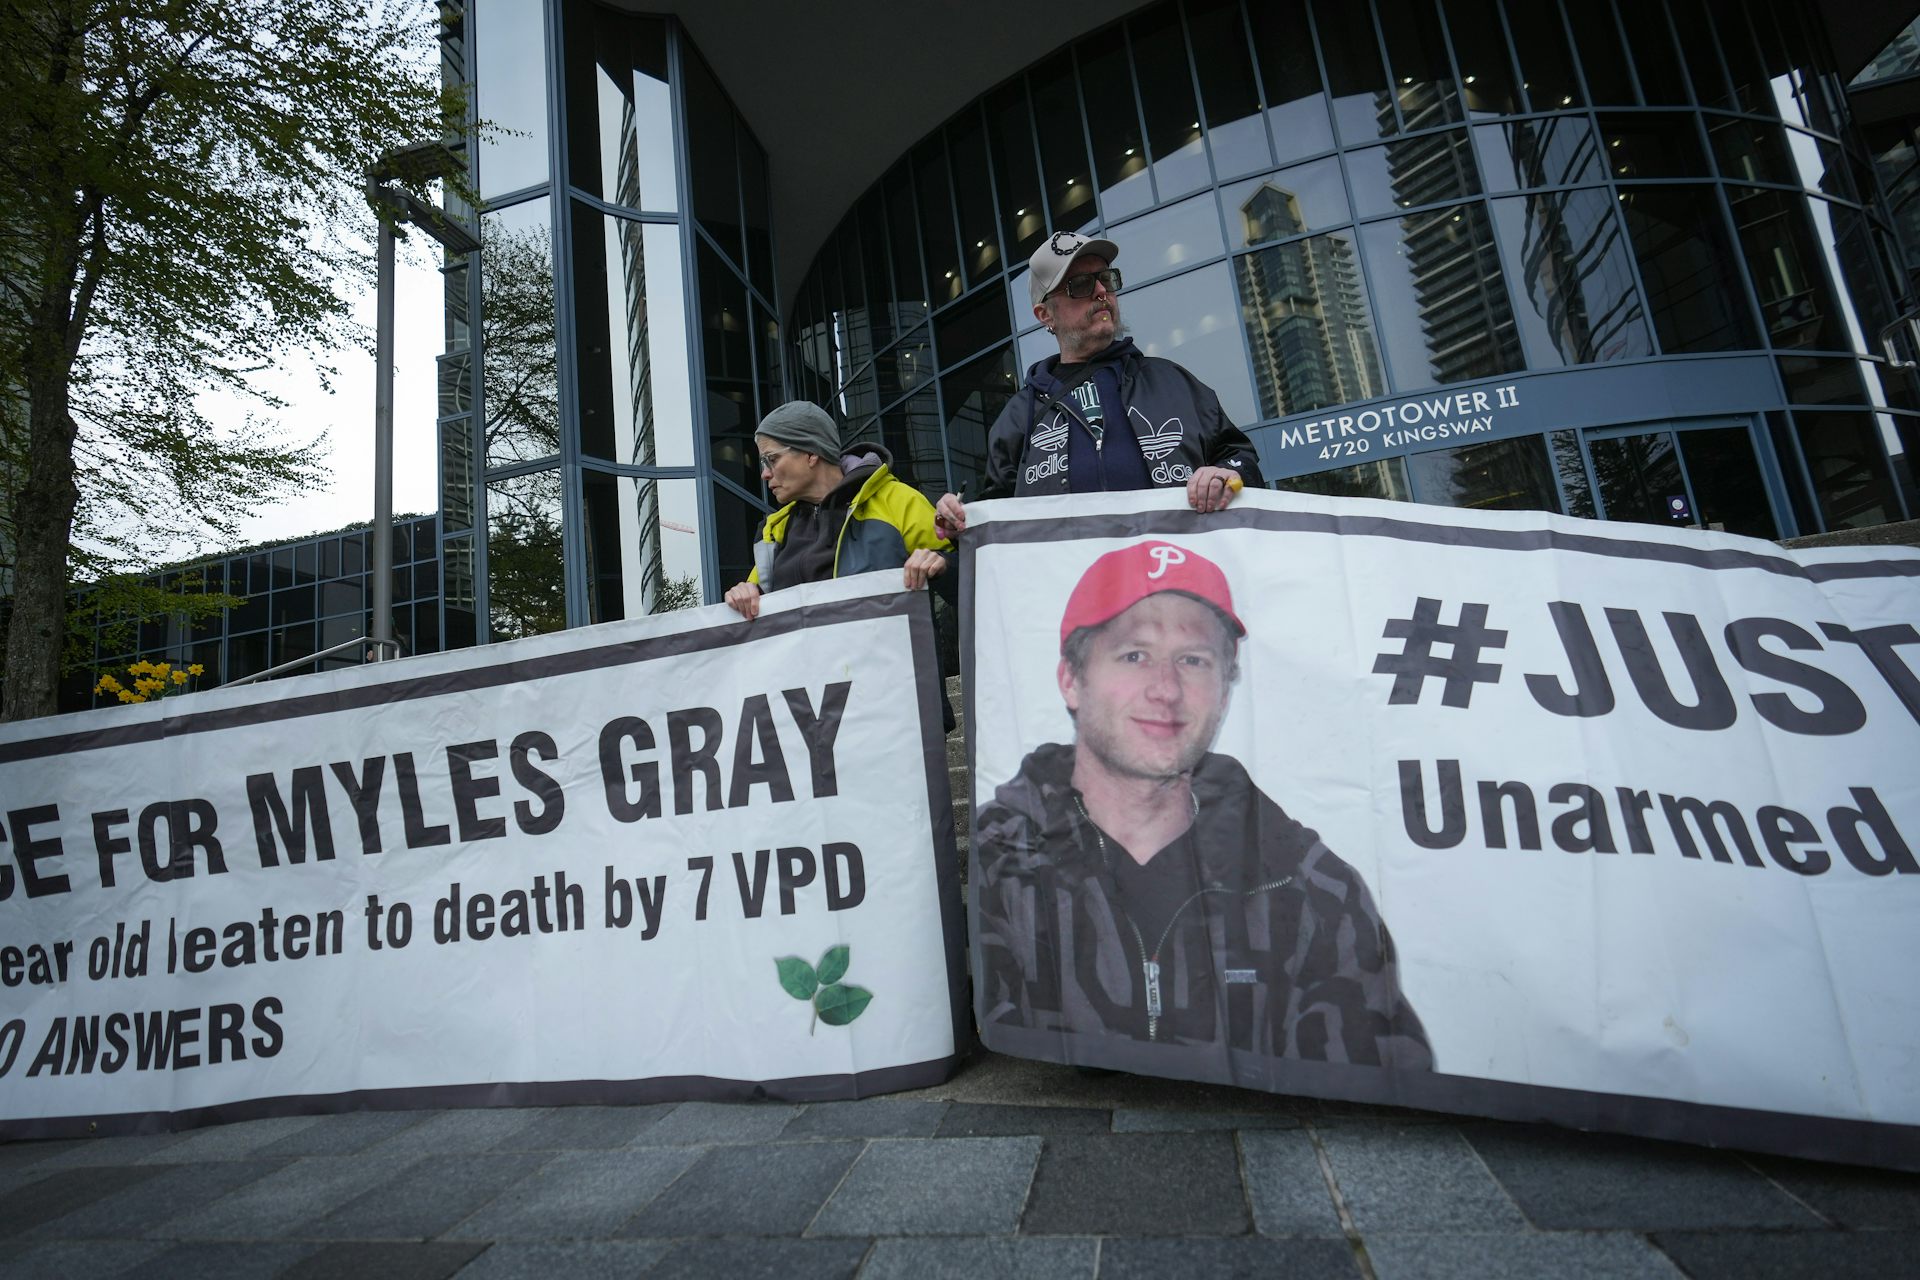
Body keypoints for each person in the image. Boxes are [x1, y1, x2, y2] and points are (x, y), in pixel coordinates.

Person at [973, 539, 1432, 1077]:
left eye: (1193, 660)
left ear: (1225, 687)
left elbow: (1379, 1081)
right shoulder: (998, 859)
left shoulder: (1308, 885)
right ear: (1072, 680)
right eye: (1135, 655)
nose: (1165, 690)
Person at [934, 232, 1263, 537]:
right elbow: (996, 516)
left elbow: (1240, 458)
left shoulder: (1173, 381)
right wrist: (959, 522)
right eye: (1079, 284)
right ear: (1044, 315)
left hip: (1178, 578)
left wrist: (1226, 474)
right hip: (1072, 591)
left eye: (1106, 279)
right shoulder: (1019, 415)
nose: (1101, 291)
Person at [724, 400, 950, 621]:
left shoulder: (897, 499)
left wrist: (941, 562)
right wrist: (744, 595)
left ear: (811, 453)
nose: (765, 473)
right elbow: (753, 604)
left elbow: (967, 576)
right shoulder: (774, 531)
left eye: (771, 459)